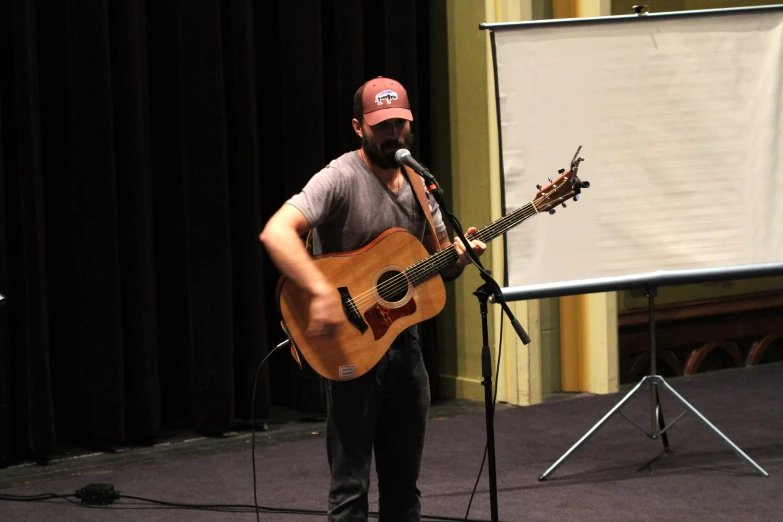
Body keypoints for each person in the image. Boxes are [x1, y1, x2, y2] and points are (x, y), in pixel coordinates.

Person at [259, 76, 486, 521]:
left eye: (399, 123)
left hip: (407, 352)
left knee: (404, 490)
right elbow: (276, 232)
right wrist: (321, 290)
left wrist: (459, 256)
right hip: (351, 348)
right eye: (382, 125)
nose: (393, 134)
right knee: (351, 489)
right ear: (359, 127)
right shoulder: (340, 177)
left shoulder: (422, 185)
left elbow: (440, 260)